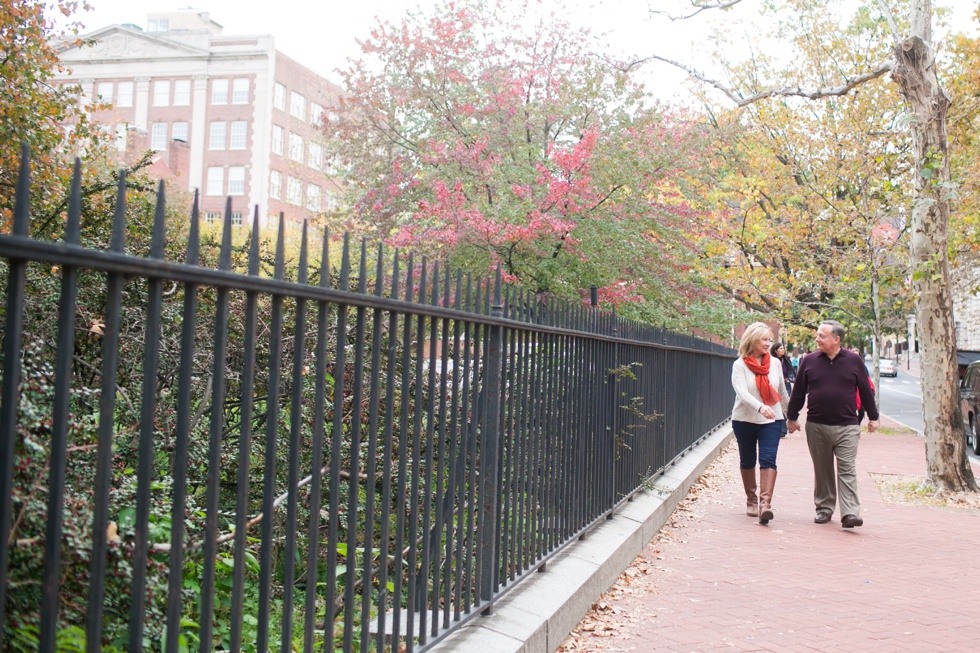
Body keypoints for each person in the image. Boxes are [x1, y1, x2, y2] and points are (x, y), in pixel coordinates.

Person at [787, 320, 878, 528]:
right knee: (823, 469)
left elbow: (865, 390)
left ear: (837, 340)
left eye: (822, 336)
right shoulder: (808, 360)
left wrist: (873, 416)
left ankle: (850, 513)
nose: (817, 339)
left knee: (847, 469)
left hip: (847, 425)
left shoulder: (854, 361)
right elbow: (799, 391)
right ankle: (824, 509)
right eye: (817, 335)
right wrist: (792, 417)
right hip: (817, 425)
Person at [731, 322, 790, 525]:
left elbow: (781, 390)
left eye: (769, 340)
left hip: (771, 420)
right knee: (747, 460)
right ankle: (751, 500)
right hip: (744, 419)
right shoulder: (739, 365)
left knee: (768, 459)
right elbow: (741, 392)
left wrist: (790, 415)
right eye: (764, 340)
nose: (768, 343)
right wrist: (759, 407)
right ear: (752, 340)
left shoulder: (774, 363)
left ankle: (765, 505)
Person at [771, 342, 795, 436]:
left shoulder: (786, 360)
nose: (783, 350)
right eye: (780, 348)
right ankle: (777, 427)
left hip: (786, 384)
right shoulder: (773, 361)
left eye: (783, 348)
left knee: (785, 403)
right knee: (777, 405)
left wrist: (789, 379)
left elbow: (791, 370)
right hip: (776, 385)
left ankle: (783, 430)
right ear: (775, 350)